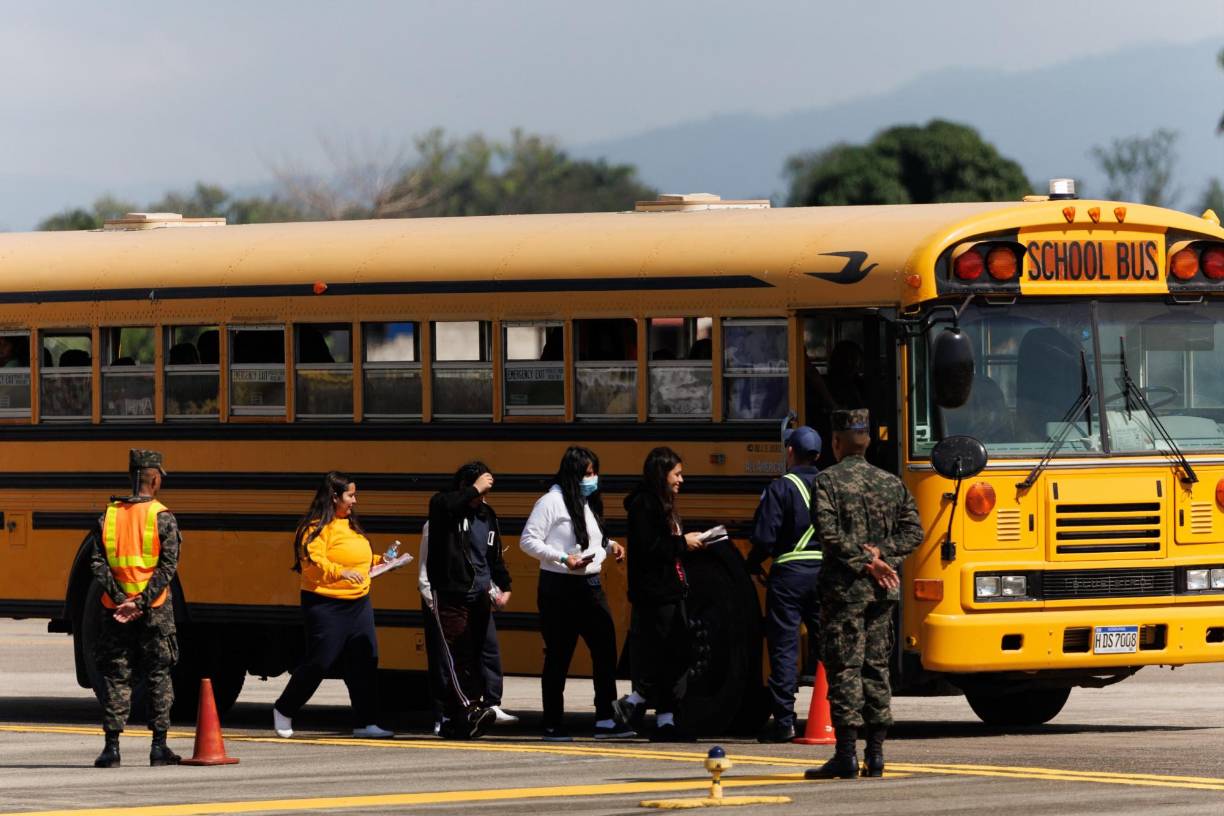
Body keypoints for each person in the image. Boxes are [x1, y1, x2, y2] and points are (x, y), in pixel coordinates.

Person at [804, 409, 923, 780]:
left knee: (845, 669)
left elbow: (827, 532)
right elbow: (914, 532)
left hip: (844, 593)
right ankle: (875, 755)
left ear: (836, 442)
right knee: (876, 669)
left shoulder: (827, 482)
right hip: (882, 594)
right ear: (868, 440)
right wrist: (881, 555)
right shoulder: (891, 483)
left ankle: (844, 754)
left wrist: (864, 560)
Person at [520, 446, 633, 741]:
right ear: (572, 474)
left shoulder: (586, 502)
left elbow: (593, 539)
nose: (592, 479)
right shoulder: (551, 502)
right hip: (559, 587)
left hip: (590, 585)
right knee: (559, 655)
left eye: (595, 472)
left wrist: (611, 547)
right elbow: (528, 540)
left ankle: (605, 719)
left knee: (605, 650)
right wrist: (561, 558)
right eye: (587, 473)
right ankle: (552, 723)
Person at [273, 472, 393, 740]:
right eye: (350, 495)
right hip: (326, 603)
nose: (354, 500)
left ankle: (366, 721)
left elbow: (359, 559)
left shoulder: (351, 525)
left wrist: (381, 561)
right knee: (320, 661)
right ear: (334, 496)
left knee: (365, 661)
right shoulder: (313, 528)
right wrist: (341, 572)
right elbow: (314, 562)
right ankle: (284, 708)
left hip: (359, 601)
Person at [89, 449, 182, 768]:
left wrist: (121, 600)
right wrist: (140, 603)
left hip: (115, 610)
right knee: (158, 674)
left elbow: (98, 564)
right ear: (154, 479)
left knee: (117, 674)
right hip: (154, 609)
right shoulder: (162, 516)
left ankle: (111, 748)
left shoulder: (109, 515)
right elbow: (168, 568)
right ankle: (158, 747)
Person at [614, 446, 707, 741]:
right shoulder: (645, 505)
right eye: (677, 474)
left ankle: (663, 717)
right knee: (670, 653)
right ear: (661, 474)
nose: (681, 480)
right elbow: (650, 548)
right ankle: (637, 702)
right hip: (655, 593)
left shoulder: (665, 504)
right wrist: (682, 543)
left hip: (671, 590)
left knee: (677, 654)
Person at [425, 461, 512, 739]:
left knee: (478, 654)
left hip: (480, 595)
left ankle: (454, 721)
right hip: (452, 592)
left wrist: (504, 585)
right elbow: (446, 505)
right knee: (455, 656)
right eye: (478, 492)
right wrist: (473, 489)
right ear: (465, 487)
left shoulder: (487, 515)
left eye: (486, 493)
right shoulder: (443, 508)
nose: (481, 499)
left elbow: (493, 554)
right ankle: (469, 708)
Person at [747, 425, 823, 743]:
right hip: (824, 575)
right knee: (829, 645)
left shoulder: (780, 488)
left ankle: (785, 721)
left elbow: (765, 538)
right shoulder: (829, 486)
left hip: (789, 578)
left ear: (790, 452)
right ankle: (834, 715)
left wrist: (751, 564)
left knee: (784, 647)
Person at [418, 520, 516, 734]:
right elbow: (426, 565)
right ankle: (444, 714)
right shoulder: (438, 522)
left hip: (477, 596)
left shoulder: (484, 521)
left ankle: (489, 705)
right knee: (447, 659)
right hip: (445, 599)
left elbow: (485, 561)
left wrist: (495, 590)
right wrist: (431, 600)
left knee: (487, 650)